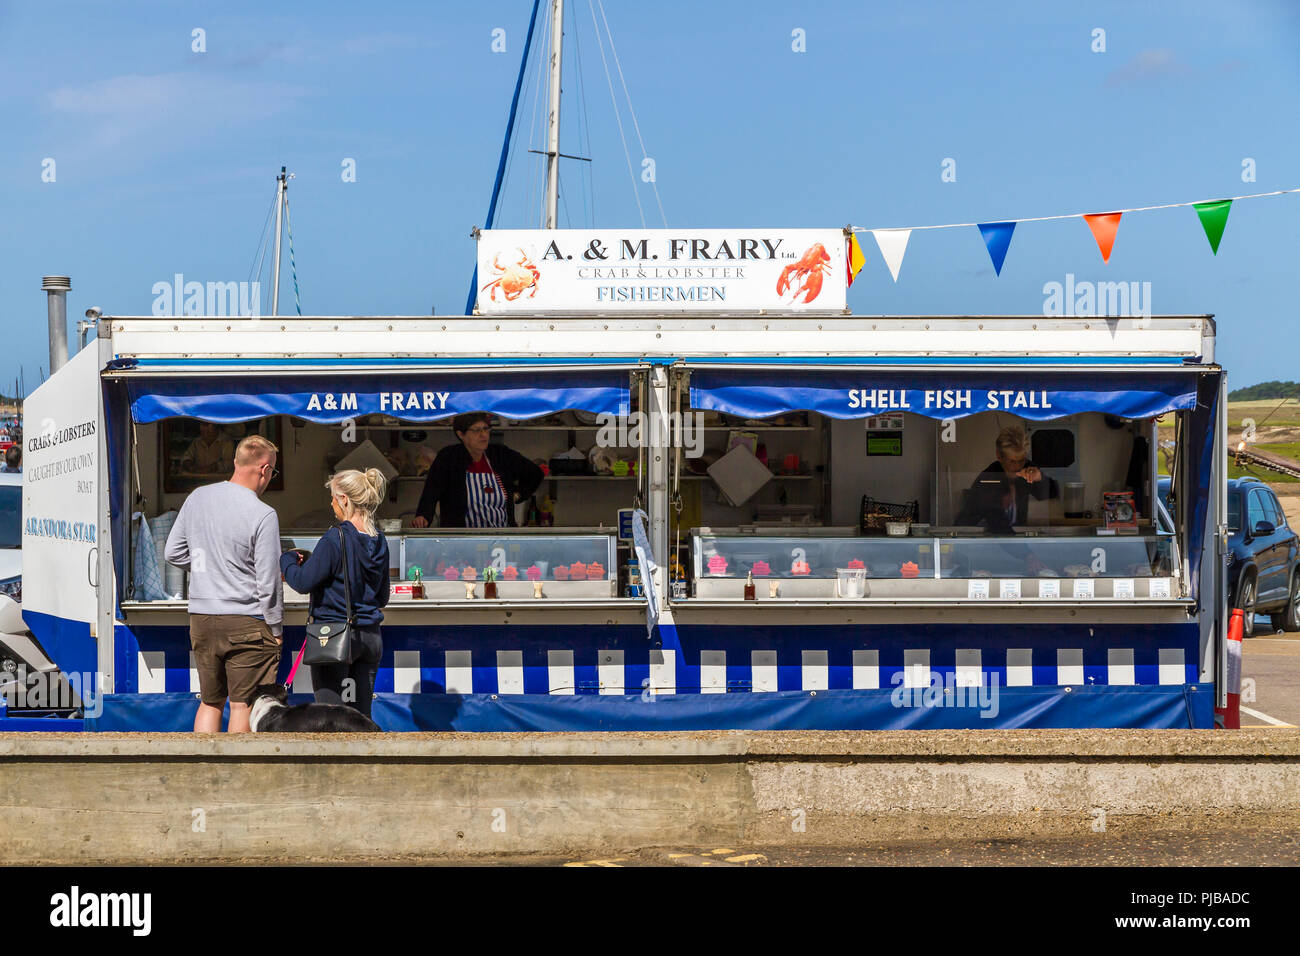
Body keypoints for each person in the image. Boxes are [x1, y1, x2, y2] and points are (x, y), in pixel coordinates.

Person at [165, 434, 282, 733]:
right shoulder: (264, 514)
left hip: (202, 618)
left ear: (235, 463)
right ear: (264, 469)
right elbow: (268, 581)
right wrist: (276, 628)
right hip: (246, 620)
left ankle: (203, 773)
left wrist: (208, 567)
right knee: (243, 704)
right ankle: (239, 776)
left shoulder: (198, 497)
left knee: (210, 701)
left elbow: (172, 552)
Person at [281, 468, 390, 719]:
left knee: (331, 719)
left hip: (334, 637)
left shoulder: (335, 538)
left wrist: (286, 561)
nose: (331, 504)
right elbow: (382, 597)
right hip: (370, 638)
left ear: (344, 499)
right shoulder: (379, 540)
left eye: (333, 497)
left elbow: (302, 582)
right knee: (360, 718)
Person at [412, 412, 544, 528]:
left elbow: (535, 473)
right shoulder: (449, 457)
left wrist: (518, 494)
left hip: (501, 539)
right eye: (476, 431)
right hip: (461, 542)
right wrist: (423, 516)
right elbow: (432, 489)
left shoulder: (501, 454)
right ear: (460, 434)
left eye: (486, 429)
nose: (483, 435)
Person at [957, 426, 1060, 534]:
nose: (1017, 466)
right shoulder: (990, 478)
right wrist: (1024, 551)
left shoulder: (1027, 469)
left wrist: (1039, 478)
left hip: (1010, 534)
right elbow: (997, 524)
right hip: (975, 537)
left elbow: (1052, 492)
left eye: (1021, 461)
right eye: (1011, 461)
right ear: (999, 456)